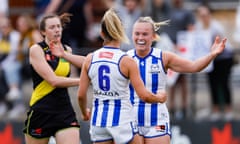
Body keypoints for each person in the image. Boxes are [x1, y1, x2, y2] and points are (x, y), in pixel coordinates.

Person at [127, 16, 226, 144]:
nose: (140, 38)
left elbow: (194, 66)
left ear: (153, 36)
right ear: (132, 35)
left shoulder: (163, 57)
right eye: (137, 34)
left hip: (157, 121)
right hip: (131, 121)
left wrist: (211, 55)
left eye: (145, 34)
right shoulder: (125, 59)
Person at [77, 8, 167, 144]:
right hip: (122, 121)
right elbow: (144, 96)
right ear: (121, 32)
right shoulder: (126, 61)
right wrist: (160, 97)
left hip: (98, 121)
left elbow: (81, 95)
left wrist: (84, 113)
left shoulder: (90, 58)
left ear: (101, 33)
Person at [23, 13, 85, 144]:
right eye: (52, 27)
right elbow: (54, 81)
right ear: (43, 32)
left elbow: (88, 63)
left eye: (58, 26)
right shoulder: (36, 49)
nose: (57, 30)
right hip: (41, 111)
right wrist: (83, 80)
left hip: (64, 111)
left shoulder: (67, 50)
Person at [195, 5, 234, 121]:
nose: (204, 18)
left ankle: (228, 109)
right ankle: (215, 109)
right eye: (201, 15)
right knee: (212, 83)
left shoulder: (216, 27)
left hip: (223, 58)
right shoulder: (198, 27)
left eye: (205, 15)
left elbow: (221, 44)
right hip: (210, 60)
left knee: (224, 83)